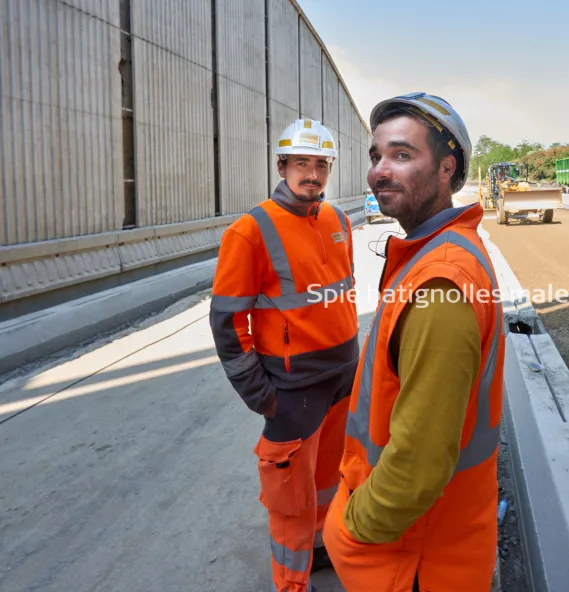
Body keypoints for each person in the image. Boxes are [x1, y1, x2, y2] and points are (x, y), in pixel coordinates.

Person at [322, 93, 506, 591]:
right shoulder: (436, 254)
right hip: (428, 546)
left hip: (412, 560)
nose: (381, 170)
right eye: (376, 156)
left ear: (447, 168)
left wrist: (352, 527)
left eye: (402, 155)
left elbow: (418, 467)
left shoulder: (440, 282)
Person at [209, 118, 359, 592]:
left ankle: (319, 549)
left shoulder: (337, 220)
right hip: (293, 391)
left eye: (320, 164)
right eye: (301, 164)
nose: (311, 174)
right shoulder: (250, 232)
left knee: (328, 481)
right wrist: (261, 394)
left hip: (342, 380)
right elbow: (228, 322)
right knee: (290, 498)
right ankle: (292, 584)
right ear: (281, 165)